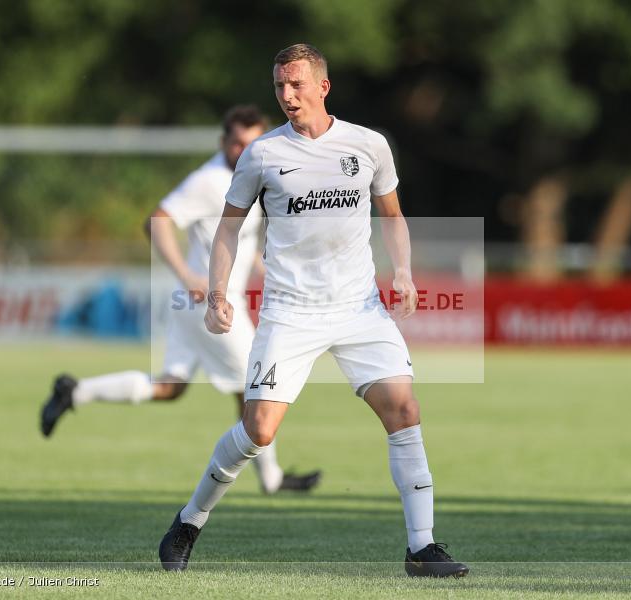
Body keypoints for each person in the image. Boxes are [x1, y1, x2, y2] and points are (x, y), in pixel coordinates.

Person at [158, 45, 468, 577]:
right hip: (290, 312)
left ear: (323, 86)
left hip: (359, 309)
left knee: (404, 411)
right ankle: (189, 520)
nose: (287, 95)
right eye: (279, 85)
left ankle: (422, 547)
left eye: (297, 84)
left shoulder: (368, 145)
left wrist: (403, 273)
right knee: (258, 430)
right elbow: (227, 228)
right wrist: (217, 294)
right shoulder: (261, 154)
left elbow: (392, 215)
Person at [39, 105, 321, 495]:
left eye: (251, 142)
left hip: (195, 304)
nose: (244, 149)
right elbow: (156, 221)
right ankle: (271, 479)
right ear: (223, 142)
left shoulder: (249, 174)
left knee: (171, 387)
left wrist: (263, 265)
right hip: (212, 303)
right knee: (257, 386)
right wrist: (187, 275)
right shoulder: (209, 180)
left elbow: (236, 237)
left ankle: (76, 391)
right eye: (236, 142)